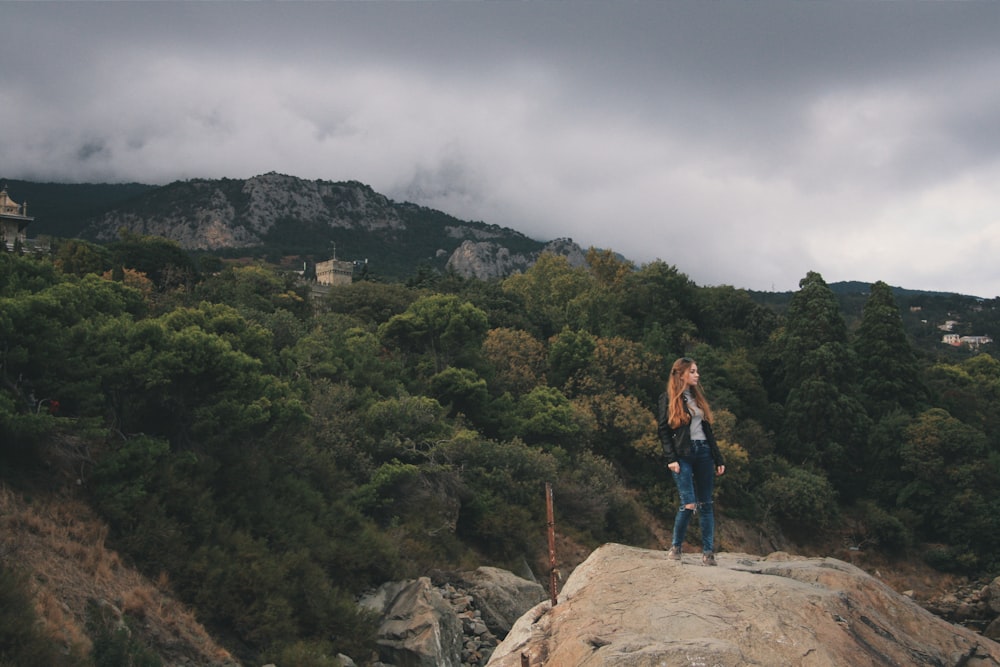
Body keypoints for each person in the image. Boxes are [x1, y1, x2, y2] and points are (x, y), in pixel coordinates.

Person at [657, 357, 726, 565]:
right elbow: (663, 430)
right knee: (688, 503)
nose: (697, 375)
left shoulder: (697, 398)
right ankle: (676, 546)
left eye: (697, 371)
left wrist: (718, 457)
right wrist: (671, 459)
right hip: (682, 455)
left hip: (703, 451)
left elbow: (707, 430)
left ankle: (708, 552)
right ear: (681, 374)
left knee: (706, 503)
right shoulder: (668, 398)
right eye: (693, 371)